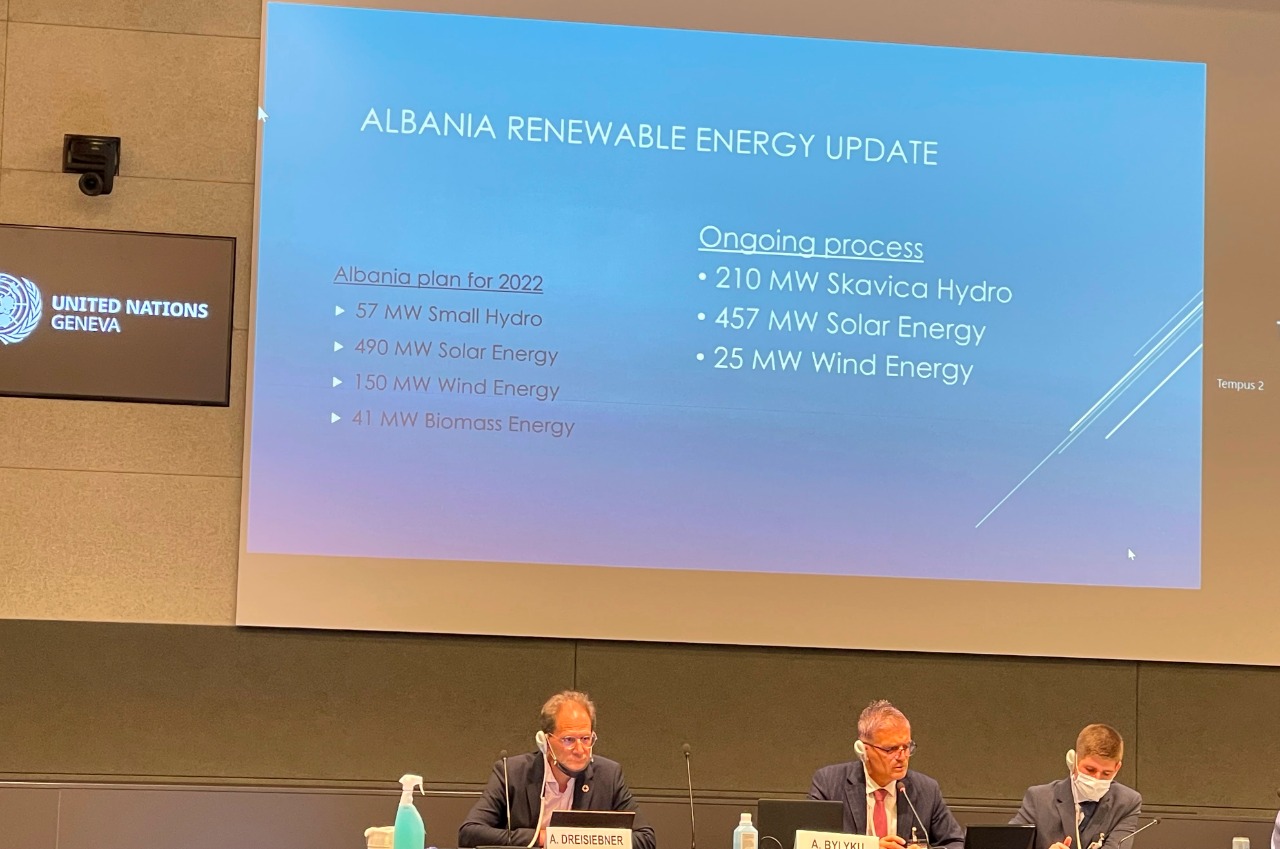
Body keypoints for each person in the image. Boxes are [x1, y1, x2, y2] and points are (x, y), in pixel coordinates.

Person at [459, 690, 656, 849]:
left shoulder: (608, 775)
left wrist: (582, 840)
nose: (580, 750)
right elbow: (470, 832)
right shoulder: (511, 773)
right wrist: (543, 838)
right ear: (545, 741)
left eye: (586, 739)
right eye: (568, 740)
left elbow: (646, 838)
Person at [809, 700, 964, 849]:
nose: (902, 757)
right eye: (891, 749)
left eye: (906, 747)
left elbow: (955, 843)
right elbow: (808, 842)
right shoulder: (829, 784)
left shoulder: (927, 790)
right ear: (863, 750)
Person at [1011, 724, 1142, 849]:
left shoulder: (1126, 803)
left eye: (1106, 773)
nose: (1097, 778)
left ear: (1117, 768)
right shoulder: (1039, 798)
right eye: (1090, 769)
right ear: (1073, 761)